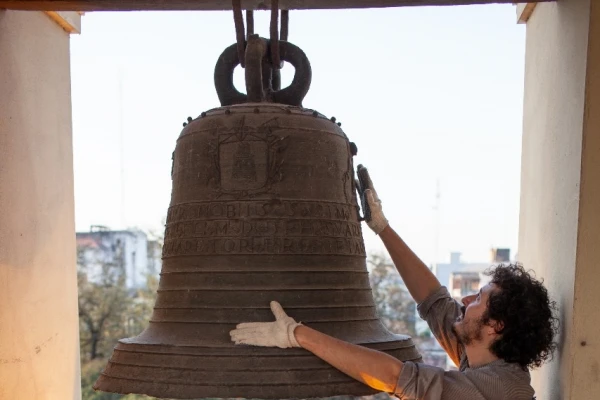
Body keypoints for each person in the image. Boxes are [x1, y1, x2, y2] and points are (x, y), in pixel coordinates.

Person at [229, 165, 559, 400]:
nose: (467, 299)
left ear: (495, 326)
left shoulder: (501, 390)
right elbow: (433, 298)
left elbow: (395, 378)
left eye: (479, 298)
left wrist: (295, 334)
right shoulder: (480, 356)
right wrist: (382, 226)